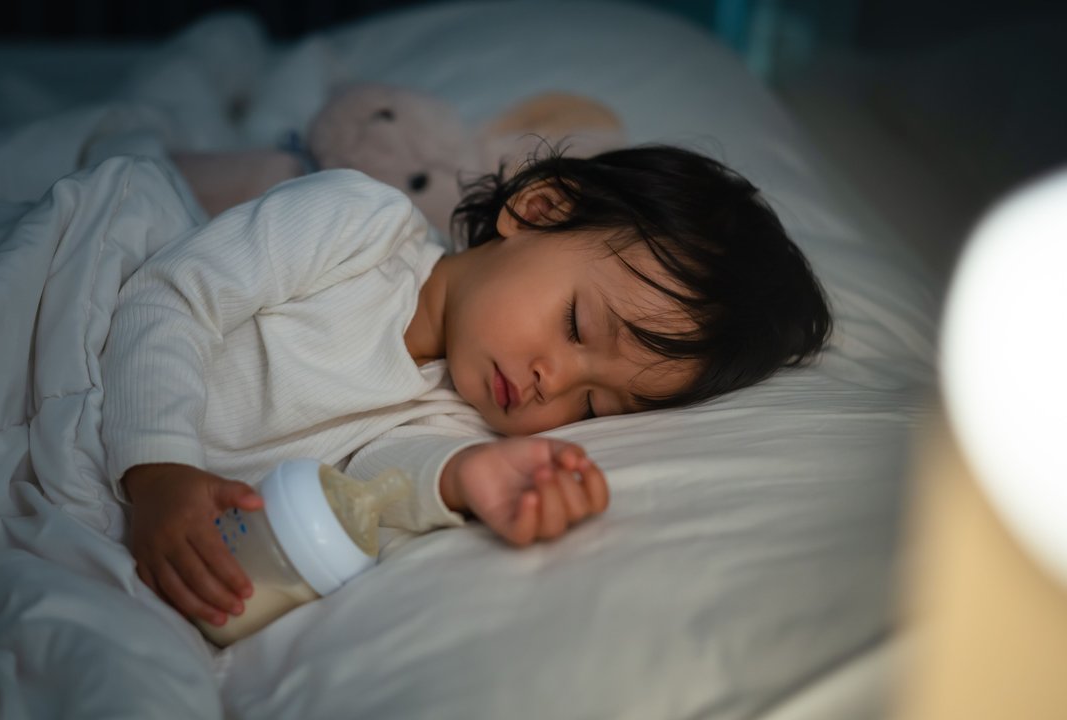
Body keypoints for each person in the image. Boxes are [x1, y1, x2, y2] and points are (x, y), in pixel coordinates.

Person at [101, 144, 832, 630]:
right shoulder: (358, 225)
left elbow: (381, 477)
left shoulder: (464, 420)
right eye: (577, 326)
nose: (557, 385)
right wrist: (158, 468)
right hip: (79, 349)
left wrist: (472, 478)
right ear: (538, 210)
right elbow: (171, 298)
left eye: (595, 404)